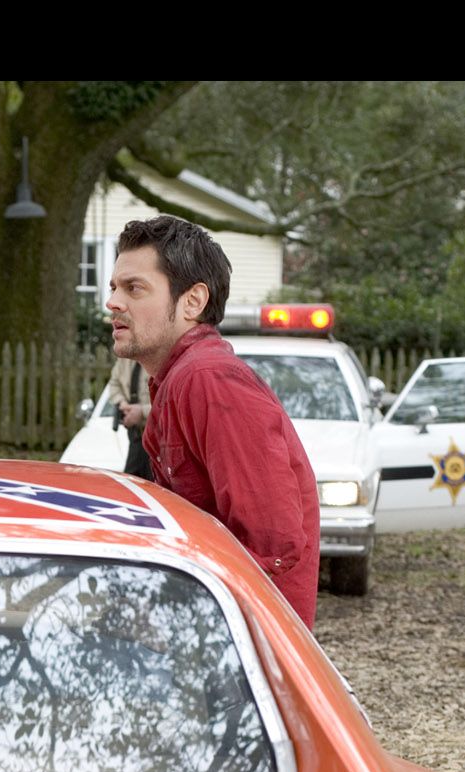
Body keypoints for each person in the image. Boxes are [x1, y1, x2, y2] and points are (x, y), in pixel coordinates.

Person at [107, 215, 320, 629]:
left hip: (248, 646)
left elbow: (271, 546)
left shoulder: (209, 380)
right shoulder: (175, 382)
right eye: (114, 287)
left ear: (192, 301)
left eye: (134, 288)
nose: (113, 302)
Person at [102, 354, 151, 480]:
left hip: (156, 435)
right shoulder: (124, 359)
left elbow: (166, 402)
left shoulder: (158, 358)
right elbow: (114, 384)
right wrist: (123, 404)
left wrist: (142, 412)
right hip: (135, 435)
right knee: (132, 480)